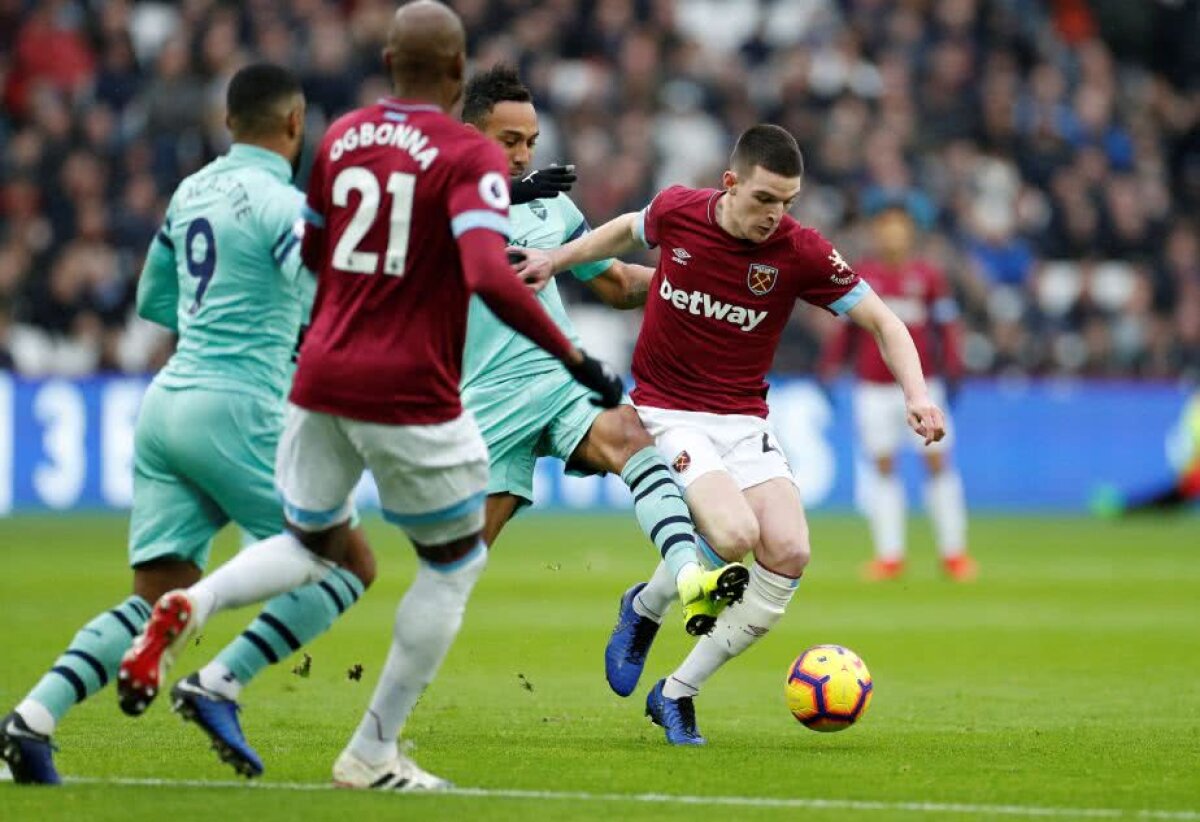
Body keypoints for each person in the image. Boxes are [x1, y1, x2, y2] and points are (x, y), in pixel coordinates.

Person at [116, 0, 624, 790]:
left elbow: (318, 254)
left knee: (314, 543)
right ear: (458, 74)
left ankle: (197, 609)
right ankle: (373, 753)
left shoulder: (342, 138)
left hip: (321, 376)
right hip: (406, 385)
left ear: (388, 60)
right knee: (452, 565)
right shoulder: (469, 153)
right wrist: (574, 355)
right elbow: (490, 272)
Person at [0, 64, 376, 785]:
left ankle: (31, 721)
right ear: (296, 125)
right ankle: (218, 683)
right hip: (241, 404)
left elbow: (153, 299)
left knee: (150, 598)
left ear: (228, 123)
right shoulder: (281, 204)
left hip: (168, 401)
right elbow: (328, 292)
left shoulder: (189, 191)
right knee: (345, 562)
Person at [516, 124, 947, 745]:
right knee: (735, 534)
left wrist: (918, 394)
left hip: (744, 420)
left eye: (788, 203)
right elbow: (624, 231)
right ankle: (645, 609)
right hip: (668, 410)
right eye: (765, 199)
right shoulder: (679, 211)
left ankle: (676, 692)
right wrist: (555, 259)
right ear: (730, 184)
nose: (776, 215)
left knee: (791, 551)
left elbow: (883, 319)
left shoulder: (800, 252)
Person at [460, 64, 748, 638]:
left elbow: (616, 283)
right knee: (456, 570)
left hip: (560, 376)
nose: (522, 155)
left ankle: (686, 581)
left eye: (531, 142)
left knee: (630, 436)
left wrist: (693, 278)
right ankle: (383, 717)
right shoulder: (440, 205)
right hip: (487, 400)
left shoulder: (552, 208)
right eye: (508, 141)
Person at [818, 203, 976, 581]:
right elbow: (847, 330)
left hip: (921, 386)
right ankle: (890, 556)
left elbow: (947, 327)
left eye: (899, 227)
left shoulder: (929, 277)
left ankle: (954, 554)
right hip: (872, 389)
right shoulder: (863, 277)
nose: (892, 234)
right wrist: (829, 367)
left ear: (910, 233)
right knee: (883, 467)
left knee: (938, 462)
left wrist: (953, 368)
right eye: (885, 227)